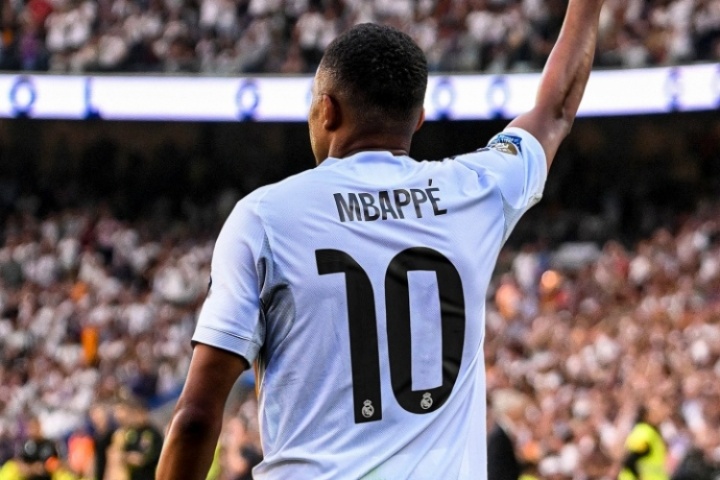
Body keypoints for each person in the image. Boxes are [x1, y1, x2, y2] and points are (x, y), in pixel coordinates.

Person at [157, 0, 605, 477]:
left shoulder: (265, 217)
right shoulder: (474, 191)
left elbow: (195, 419)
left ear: (327, 110)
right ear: (418, 119)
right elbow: (555, 111)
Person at [618, 404, 670, 480]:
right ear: (646, 416)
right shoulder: (644, 432)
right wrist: (638, 476)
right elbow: (630, 460)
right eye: (655, 413)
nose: (659, 415)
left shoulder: (651, 432)